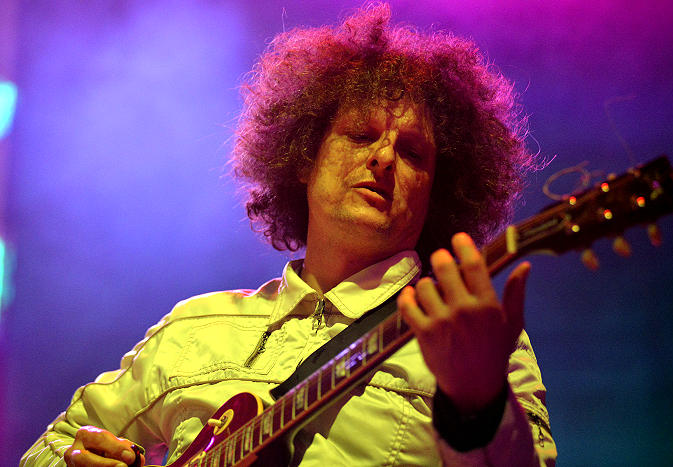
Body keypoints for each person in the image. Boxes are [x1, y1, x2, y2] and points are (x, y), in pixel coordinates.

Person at [22, 4, 556, 466]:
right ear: (303, 159)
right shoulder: (194, 329)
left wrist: (480, 404)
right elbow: (51, 445)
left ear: (437, 192)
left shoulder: (467, 333)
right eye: (361, 135)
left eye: (413, 152)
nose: (384, 158)